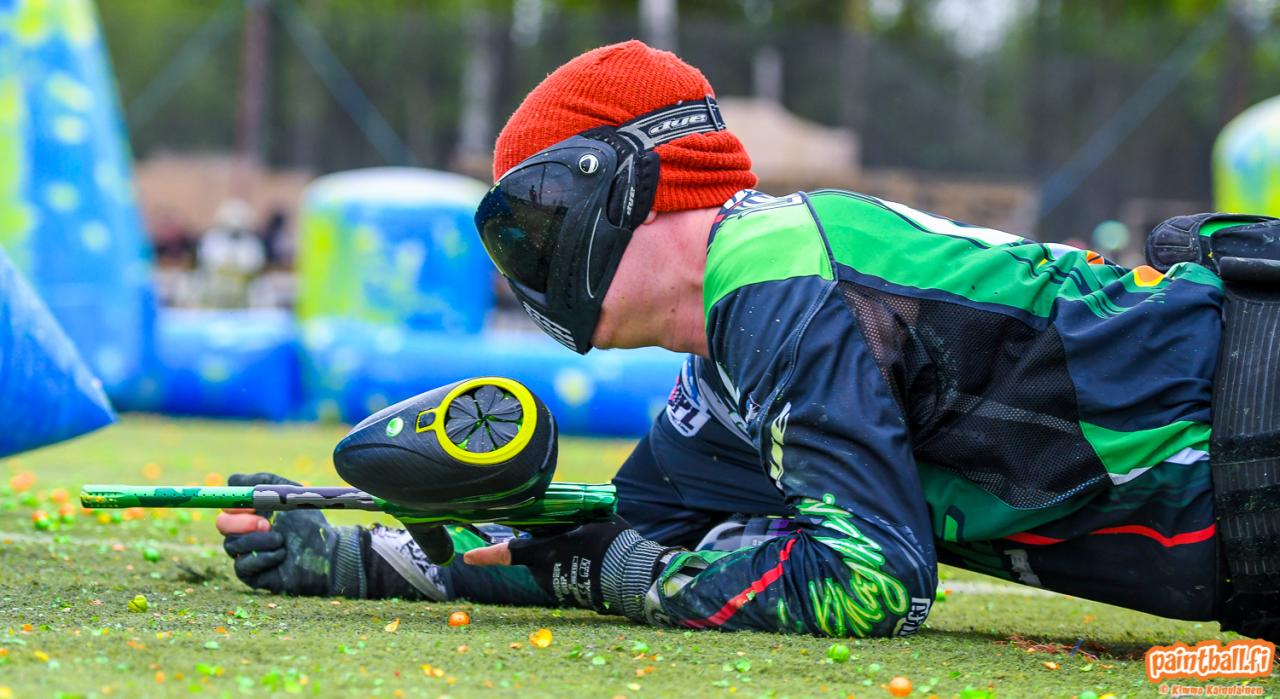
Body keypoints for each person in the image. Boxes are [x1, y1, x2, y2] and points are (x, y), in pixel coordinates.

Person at [217, 41, 1277, 641]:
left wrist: (636, 577)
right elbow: (605, 538)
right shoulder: (728, 358)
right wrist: (357, 553)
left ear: (615, 185)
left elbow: (868, 581)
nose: (524, 264)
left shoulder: (776, 277)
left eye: (530, 224)